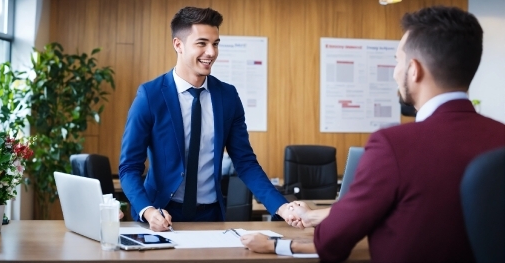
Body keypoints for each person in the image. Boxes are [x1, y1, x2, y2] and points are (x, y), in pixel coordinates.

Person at [241, 6, 505, 262]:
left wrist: (276, 245)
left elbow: (333, 244)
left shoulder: (395, 146)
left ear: (414, 70)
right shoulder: (500, 138)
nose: (394, 73)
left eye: (397, 61)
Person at [119, 6, 292, 232]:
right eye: (202, 43)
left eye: (216, 43)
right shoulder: (150, 96)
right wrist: (147, 210)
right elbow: (129, 167)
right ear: (178, 45)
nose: (211, 52)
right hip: (161, 214)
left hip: (211, 215)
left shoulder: (227, 96)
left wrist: (282, 207)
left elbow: (245, 162)